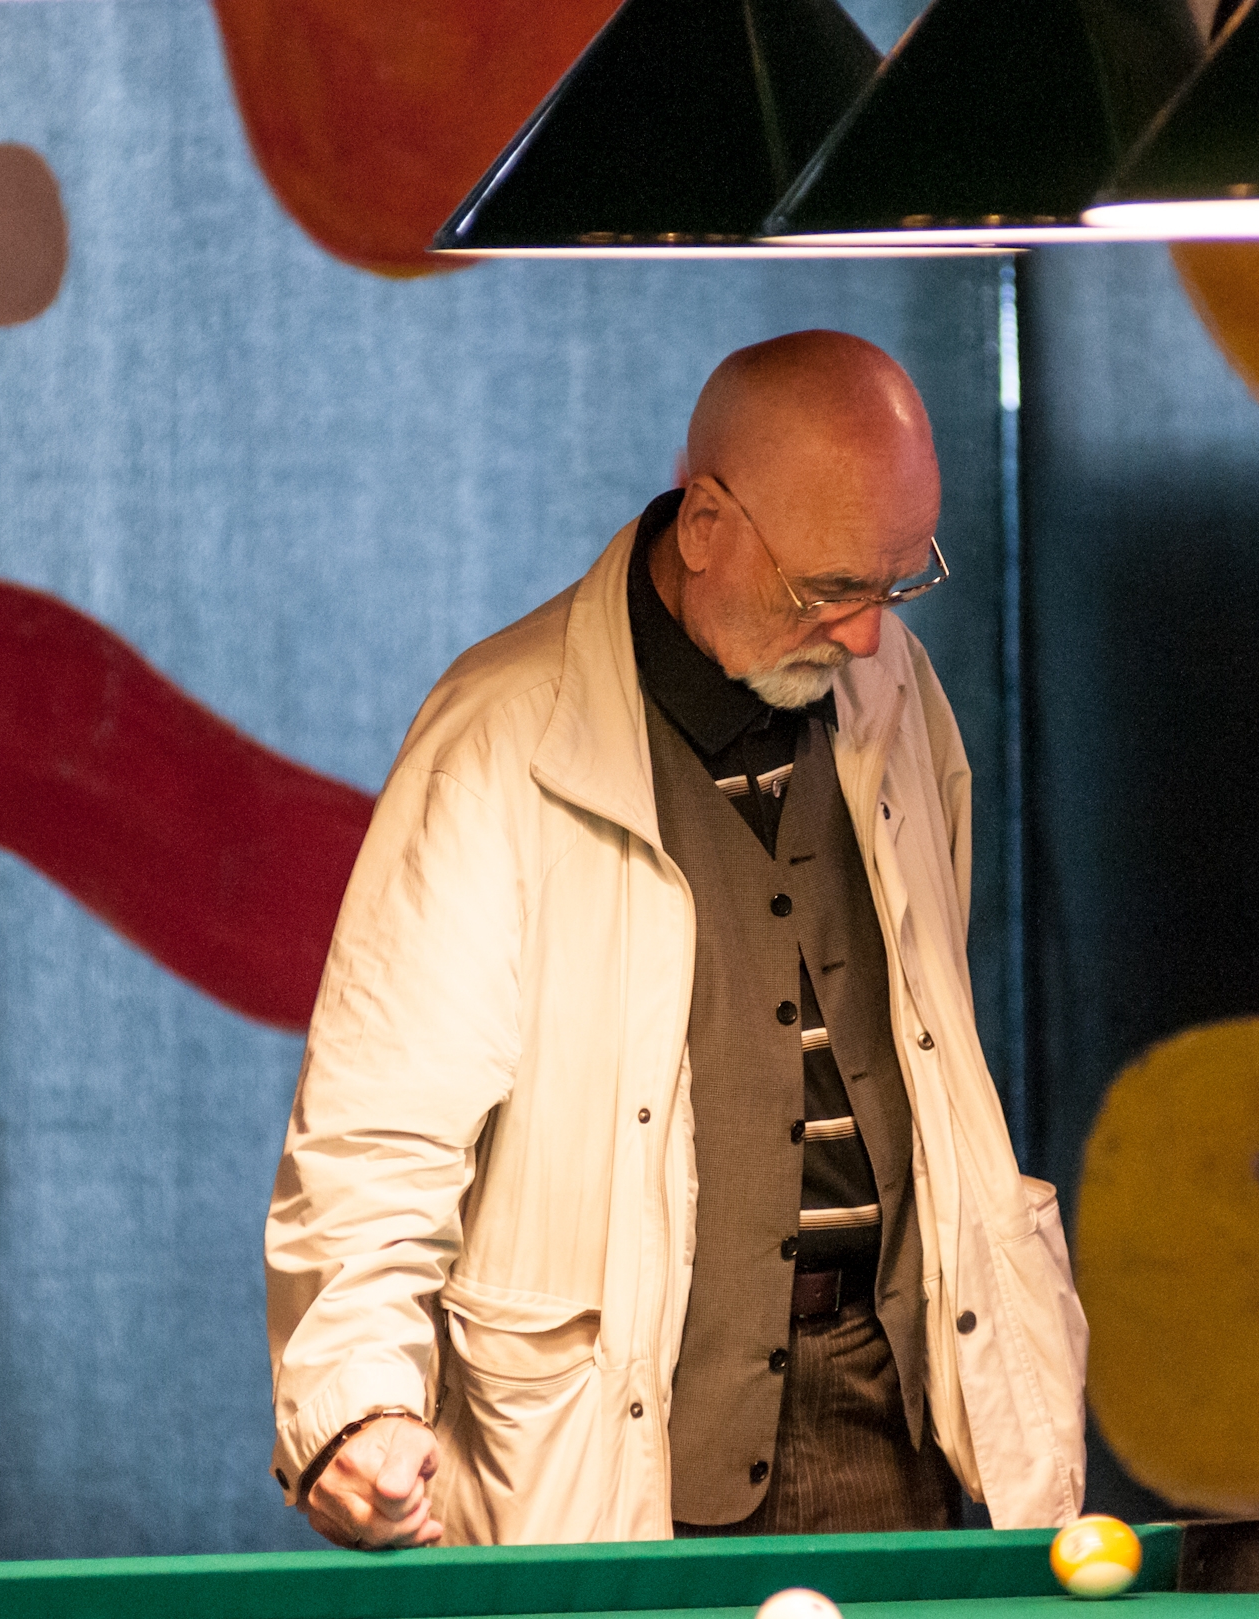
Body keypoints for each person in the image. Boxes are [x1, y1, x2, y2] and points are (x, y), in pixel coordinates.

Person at [265, 331, 1087, 1549]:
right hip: (623, 1440)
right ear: (705, 523)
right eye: (830, 588)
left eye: (899, 584)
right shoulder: (499, 739)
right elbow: (378, 1130)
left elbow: (931, 1022)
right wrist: (357, 1405)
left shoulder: (891, 683)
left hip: (888, 1418)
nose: (868, 634)